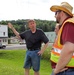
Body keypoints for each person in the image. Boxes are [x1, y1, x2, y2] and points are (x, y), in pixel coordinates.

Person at [50, 2, 74, 75]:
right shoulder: (68, 24)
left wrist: (57, 69)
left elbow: (69, 49)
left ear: (62, 13)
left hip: (66, 71)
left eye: (56, 13)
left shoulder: (68, 24)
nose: (55, 16)